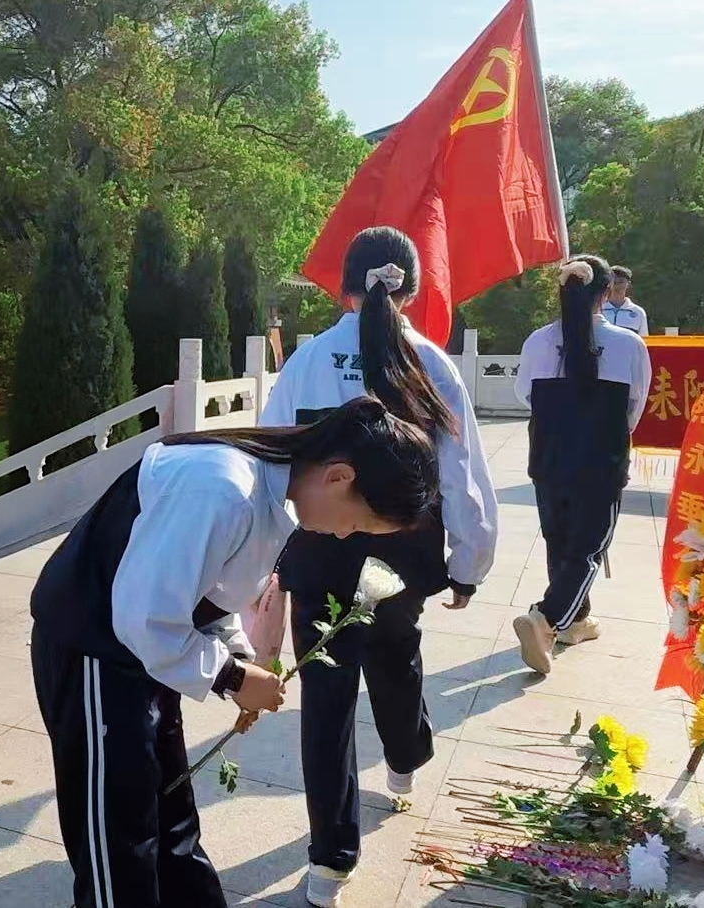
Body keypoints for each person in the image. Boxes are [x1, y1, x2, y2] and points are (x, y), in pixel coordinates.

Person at [29, 398, 440, 908]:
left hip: (147, 654)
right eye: (355, 524)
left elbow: (213, 594)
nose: (341, 535)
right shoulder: (222, 487)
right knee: (120, 840)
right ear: (339, 477)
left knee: (171, 817)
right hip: (95, 651)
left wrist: (240, 662)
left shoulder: (271, 494)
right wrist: (231, 678)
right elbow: (143, 619)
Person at [259, 226, 498, 908]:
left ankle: (329, 860)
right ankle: (403, 759)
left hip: (318, 546)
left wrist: (264, 558)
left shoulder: (307, 361)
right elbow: (463, 475)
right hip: (404, 547)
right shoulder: (432, 364)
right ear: (411, 292)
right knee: (396, 657)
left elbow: (272, 457)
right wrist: (469, 563)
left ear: (343, 288)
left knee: (326, 698)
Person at [512, 255, 652, 674]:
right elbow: (635, 407)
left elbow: (524, 395)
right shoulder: (628, 344)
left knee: (560, 540)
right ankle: (547, 618)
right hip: (600, 459)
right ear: (605, 293)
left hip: (549, 456)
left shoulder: (538, 341)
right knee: (589, 548)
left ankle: (577, 620)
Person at [601, 265, 648, 336]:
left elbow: (644, 339)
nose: (616, 286)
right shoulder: (598, 310)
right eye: (613, 282)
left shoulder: (638, 312)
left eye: (621, 282)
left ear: (628, 284)